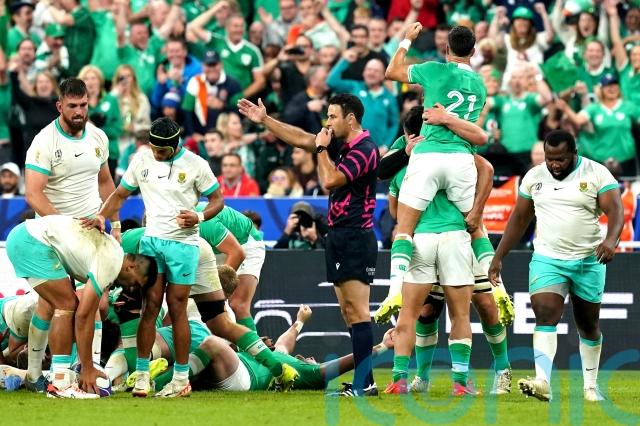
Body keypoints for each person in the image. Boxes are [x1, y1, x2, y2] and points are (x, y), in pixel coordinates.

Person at [239, 93, 380, 397]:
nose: (327, 122)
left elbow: (330, 180)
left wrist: (320, 148)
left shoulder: (365, 149)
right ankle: (364, 381)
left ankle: (366, 383)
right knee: (348, 312)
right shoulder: (340, 144)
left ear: (350, 119)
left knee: (358, 311)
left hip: (356, 235)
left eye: (332, 116)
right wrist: (265, 120)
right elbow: (303, 138)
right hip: (339, 235)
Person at [84, 117, 224, 398]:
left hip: (184, 246)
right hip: (151, 243)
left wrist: (198, 216)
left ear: (174, 145)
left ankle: (181, 379)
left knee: (177, 308)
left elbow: (218, 200)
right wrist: (101, 215)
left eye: (162, 151)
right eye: (153, 149)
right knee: (149, 306)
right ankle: (142, 375)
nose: (156, 154)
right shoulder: (141, 160)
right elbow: (120, 194)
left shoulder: (196, 165)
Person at [488, 130, 624, 402]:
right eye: (549, 158)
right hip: (547, 258)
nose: (554, 164)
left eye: (560, 159)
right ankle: (542, 381)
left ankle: (590, 386)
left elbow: (616, 210)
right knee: (545, 313)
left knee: (588, 324)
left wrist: (611, 240)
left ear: (574, 153)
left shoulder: (597, 173)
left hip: (588, 259)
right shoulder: (534, 177)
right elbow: (519, 218)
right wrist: (498, 255)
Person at [23, 77, 120, 391]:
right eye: (73, 106)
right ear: (59, 106)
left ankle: (87, 368)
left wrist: (115, 223)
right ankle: (36, 375)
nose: (79, 111)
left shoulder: (98, 136)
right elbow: (33, 194)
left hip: (90, 232)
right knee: (51, 304)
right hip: (53, 235)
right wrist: (64, 226)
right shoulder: (44, 142)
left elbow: (106, 183)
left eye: (84, 105)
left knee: (98, 304)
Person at [384, 24, 488, 310]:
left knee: (404, 228)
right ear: (473, 51)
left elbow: (392, 72)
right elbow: (478, 135)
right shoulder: (480, 85)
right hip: (462, 159)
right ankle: (497, 286)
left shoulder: (433, 70)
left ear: (446, 48)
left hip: (429, 154)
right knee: (476, 228)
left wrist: (407, 40)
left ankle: (394, 291)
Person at [5, 214, 157, 398]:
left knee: (61, 304)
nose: (131, 288)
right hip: (31, 242)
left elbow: (87, 313)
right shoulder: (111, 263)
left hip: (26, 237)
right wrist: (87, 367)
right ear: (131, 267)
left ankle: (35, 376)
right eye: (136, 283)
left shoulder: (113, 252)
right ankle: (60, 383)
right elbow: (84, 316)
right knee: (66, 304)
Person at [181, 50, 242, 140]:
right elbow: (187, 111)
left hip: (226, 135)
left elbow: (240, 110)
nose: (212, 68)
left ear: (221, 64)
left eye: (214, 64)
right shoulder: (195, 82)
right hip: (201, 135)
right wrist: (193, 134)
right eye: (208, 65)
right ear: (202, 66)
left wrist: (223, 106)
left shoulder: (233, 83)